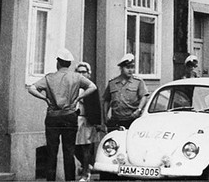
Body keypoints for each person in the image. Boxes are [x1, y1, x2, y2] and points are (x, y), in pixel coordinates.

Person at [27, 49, 97, 181]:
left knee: (51, 152)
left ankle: (51, 180)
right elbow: (92, 86)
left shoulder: (49, 77)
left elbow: (32, 88)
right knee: (69, 152)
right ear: (69, 64)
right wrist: (78, 98)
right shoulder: (76, 77)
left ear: (58, 63)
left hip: (52, 117)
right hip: (70, 116)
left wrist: (44, 99)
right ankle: (70, 180)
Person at [103, 53, 148, 130]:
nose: (130, 70)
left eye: (132, 67)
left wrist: (139, 110)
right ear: (121, 68)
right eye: (127, 67)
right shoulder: (112, 83)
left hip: (132, 119)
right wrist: (105, 116)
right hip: (116, 119)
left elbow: (144, 96)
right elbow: (106, 100)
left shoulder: (138, 82)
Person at [74, 62, 102, 182]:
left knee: (86, 147)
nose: (81, 74)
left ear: (89, 74)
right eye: (79, 72)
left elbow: (96, 106)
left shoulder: (92, 87)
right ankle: (88, 166)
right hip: (75, 120)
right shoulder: (73, 86)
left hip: (87, 119)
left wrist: (97, 123)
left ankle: (85, 174)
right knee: (74, 148)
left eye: (83, 72)